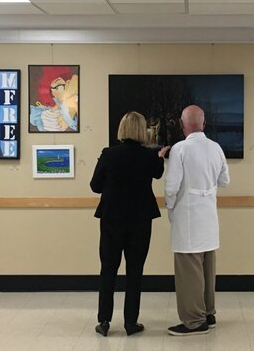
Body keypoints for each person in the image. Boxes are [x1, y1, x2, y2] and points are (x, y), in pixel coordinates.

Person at [90, 111, 170, 337]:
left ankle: (104, 321)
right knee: (135, 271)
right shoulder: (148, 156)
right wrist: (160, 157)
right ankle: (130, 322)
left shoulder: (108, 154)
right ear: (142, 130)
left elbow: (95, 186)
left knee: (108, 268)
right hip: (140, 220)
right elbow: (157, 173)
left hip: (112, 218)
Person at [164, 105, 230, 336]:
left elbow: (171, 186)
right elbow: (224, 181)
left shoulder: (180, 149)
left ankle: (194, 320)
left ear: (183, 125)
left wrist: (170, 207)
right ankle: (208, 313)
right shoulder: (216, 147)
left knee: (188, 270)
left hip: (187, 216)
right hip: (209, 216)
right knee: (207, 267)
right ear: (204, 123)